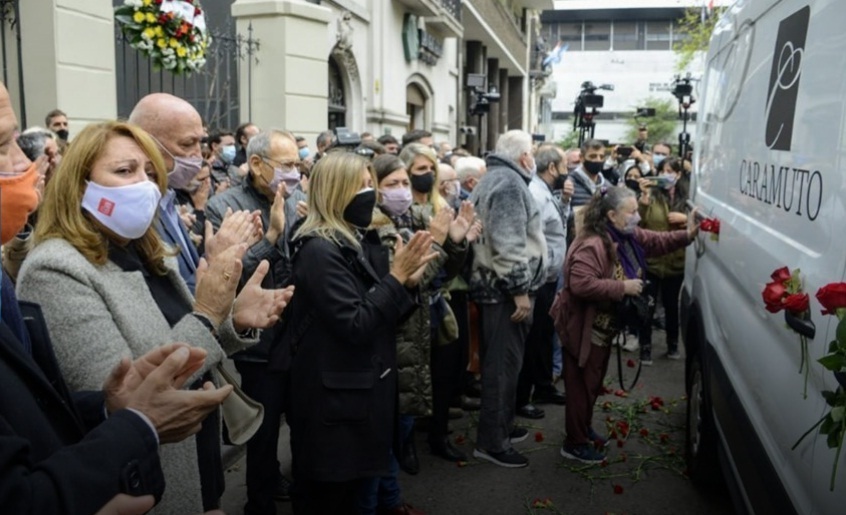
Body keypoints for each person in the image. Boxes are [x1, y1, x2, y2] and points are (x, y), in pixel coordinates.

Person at [16, 120, 292, 513]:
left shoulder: (148, 250)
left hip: (197, 462)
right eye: (124, 171)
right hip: (146, 481)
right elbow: (127, 395)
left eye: (149, 172)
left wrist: (231, 321)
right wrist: (209, 312)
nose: (144, 185)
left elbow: (183, 336)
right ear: (79, 184)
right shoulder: (56, 269)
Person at [272, 152, 436, 514]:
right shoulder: (318, 249)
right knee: (336, 501)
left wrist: (406, 285)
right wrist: (395, 279)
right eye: (361, 186)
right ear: (336, 191)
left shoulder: (351, 241)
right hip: (335, 409)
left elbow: (382, 313)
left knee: (358, 494)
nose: (371, 195)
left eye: (370, 185)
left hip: (354, 399)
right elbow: (356, 323)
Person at [551, 185, 698, 463]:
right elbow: (581, 284)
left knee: (591, 383)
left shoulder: (624, 235)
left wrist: (687, 236)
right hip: (583, 327)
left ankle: (582, 430)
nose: (638, 218)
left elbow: (655, 241)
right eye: (631, 212)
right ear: (611, 215)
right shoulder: (592, 243)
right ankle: (574, 443)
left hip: (602, 326)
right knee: (581, 386)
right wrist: (623, 287)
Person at [205, 129, 304, 515]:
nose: (294, 173)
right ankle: (258, 501)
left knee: (302, 419)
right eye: (287, 165)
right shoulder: (225, 207)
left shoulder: (298, 199)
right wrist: (274, 235)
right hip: (258, 340)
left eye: (298, 164)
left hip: (298, 332)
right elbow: (226, 276)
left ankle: (295, 486)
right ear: (258, 164)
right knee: (263, 431)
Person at [469, 130, 547, 468]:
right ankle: (492, 442)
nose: (534, 157)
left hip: (496, 290)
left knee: (502, 366)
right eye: (531, 152)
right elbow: (508, 243)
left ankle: (500, 427)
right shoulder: (509, 183)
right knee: (502, 368)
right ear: (523, 156)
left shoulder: (499, 178)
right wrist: (519, 292)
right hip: (503, 293)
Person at [398, 143, 470, 467]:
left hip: (440, 303)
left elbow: (449, 270)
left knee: (444, 373)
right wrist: (439, 241)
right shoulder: (401, 210)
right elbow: (416, 272)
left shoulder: (440, 204)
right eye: (419, 170)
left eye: (431, 169)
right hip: (413, 307)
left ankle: (439, 435)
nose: (427, 175)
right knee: (413, 378)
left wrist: (458, 242)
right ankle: (407, 444)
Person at [515, 144, 571, 421]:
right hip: (538, 277)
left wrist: (564, 203)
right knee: (533, 338)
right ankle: (522, 397)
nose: (567, 172)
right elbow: (529, 236)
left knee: (545, 334)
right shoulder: (536, 194)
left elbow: (554, 227)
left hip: (549, 276)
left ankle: (544, 385)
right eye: (564, 166)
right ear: (552, 168)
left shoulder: (548, 192)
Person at [128, 93, 206, 293]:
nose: (198, 154)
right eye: (188, 144)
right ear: (146, 142)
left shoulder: (167, 197)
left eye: (200, 142)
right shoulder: (132, 212)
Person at [636, 157, 690, 364]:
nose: (666, 174)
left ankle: (673, 344)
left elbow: (699, 220)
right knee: (647, 307)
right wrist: (644, 200)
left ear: (678, 175)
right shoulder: (652, 195)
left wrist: (685, 220)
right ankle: (646, 347)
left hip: (676, 262)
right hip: (653, 261)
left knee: (671, 306)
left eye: (671, 171)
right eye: (663, 170)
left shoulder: (687, 196)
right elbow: (639, 222)